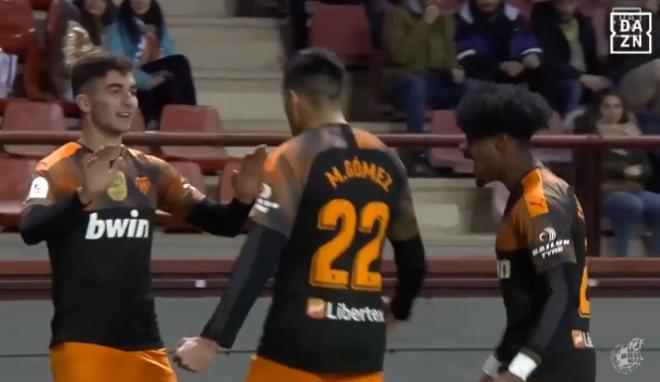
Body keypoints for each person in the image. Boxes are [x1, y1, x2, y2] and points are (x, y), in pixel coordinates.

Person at [173, 48, 427, 382]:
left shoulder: (292, 157)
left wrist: (213, 338)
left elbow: (260, 253)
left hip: (298, 344)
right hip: (364, 346)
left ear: (294, 100)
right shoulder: (388, 159)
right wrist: (398, 310)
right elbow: (414, 260)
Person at [19, 53, 266, 382]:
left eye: (133, 91)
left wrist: (244, 199)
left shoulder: (151, 169)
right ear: (85, 103)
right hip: (83, 343)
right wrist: (83, 196)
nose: (129, 101)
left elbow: (224, 224)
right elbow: (30, 229)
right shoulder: (57, 167)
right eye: (115, 90)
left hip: (146, 345)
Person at [457, 84, 595, 382]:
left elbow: (559, 292)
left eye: (471, 140)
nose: (463, 149)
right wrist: (494, 367)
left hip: (553, 366)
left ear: (500, 143)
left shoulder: (540, 198)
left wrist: (519, 370)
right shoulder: (524, 196)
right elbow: (525, 310)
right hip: (541, 359)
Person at [383, 0, 465, 175]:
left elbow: (449, 58)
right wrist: (424, 23)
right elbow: (400, 56)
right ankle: (417, 155)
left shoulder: (446, 21)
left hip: (432, 84)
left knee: (472, 87)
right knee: (416, 84)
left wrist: (456, 70)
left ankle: (471, 154)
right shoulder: (399, 15)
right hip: (401, 83)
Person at [574, 91, 660, 257]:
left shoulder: (633, 133)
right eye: (607, 106)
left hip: (634, 189)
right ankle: (622, 259)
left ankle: (656, 262)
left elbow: (647, 168)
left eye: (617, 106)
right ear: (598, 109)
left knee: (657, 204)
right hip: (603, 192)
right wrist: (623, 170)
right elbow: (589, 166)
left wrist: (638, 171)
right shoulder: (590, 131)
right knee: (630, 205)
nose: (612, 111)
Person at [106, 0, 196, 126]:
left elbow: (170, 55)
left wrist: (161, 77)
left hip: (157, 76)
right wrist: (149, 81)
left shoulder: (160, 27)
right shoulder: (117, 29)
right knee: (180, 63)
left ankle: (180, 124)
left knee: (175, 77)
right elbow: (119, 65)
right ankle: (190, 117)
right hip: (134, 81)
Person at [530, 0, 610, 116]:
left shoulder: (584, 26)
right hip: (557, 80)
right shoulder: (542, 22)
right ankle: (570, 124)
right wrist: (581, 76)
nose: (567, 8)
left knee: (608, 84)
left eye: (571, 3)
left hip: (585, 78)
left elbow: (592, 61)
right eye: (562, 3)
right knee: (573, 87)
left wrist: (600, 78)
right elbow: (548, 61)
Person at [455, 0, 543, 89]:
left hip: (514, 78)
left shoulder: (514, 16)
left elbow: (524, 41)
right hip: (479, 78)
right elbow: (467, 59)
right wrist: (501, 66)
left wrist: (529, 55)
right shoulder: (461, 21)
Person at [49, 0, 116, 99]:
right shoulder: (72, 19)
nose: (96, 2)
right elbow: (65, 64)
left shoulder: (103, 24)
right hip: (70, 81)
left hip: (95, 82)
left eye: (102, 1)